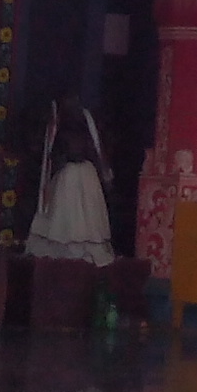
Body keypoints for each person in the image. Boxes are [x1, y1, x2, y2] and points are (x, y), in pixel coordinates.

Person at [24, 95, 113, 266]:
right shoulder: (58, 128)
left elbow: (96, 151)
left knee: (86, 217)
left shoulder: (87, 126)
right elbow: (51, 156)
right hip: (67, 177)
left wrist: (104, 173)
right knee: (65, 216)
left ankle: (84, 251)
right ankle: (66, 251)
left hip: (85, 176)